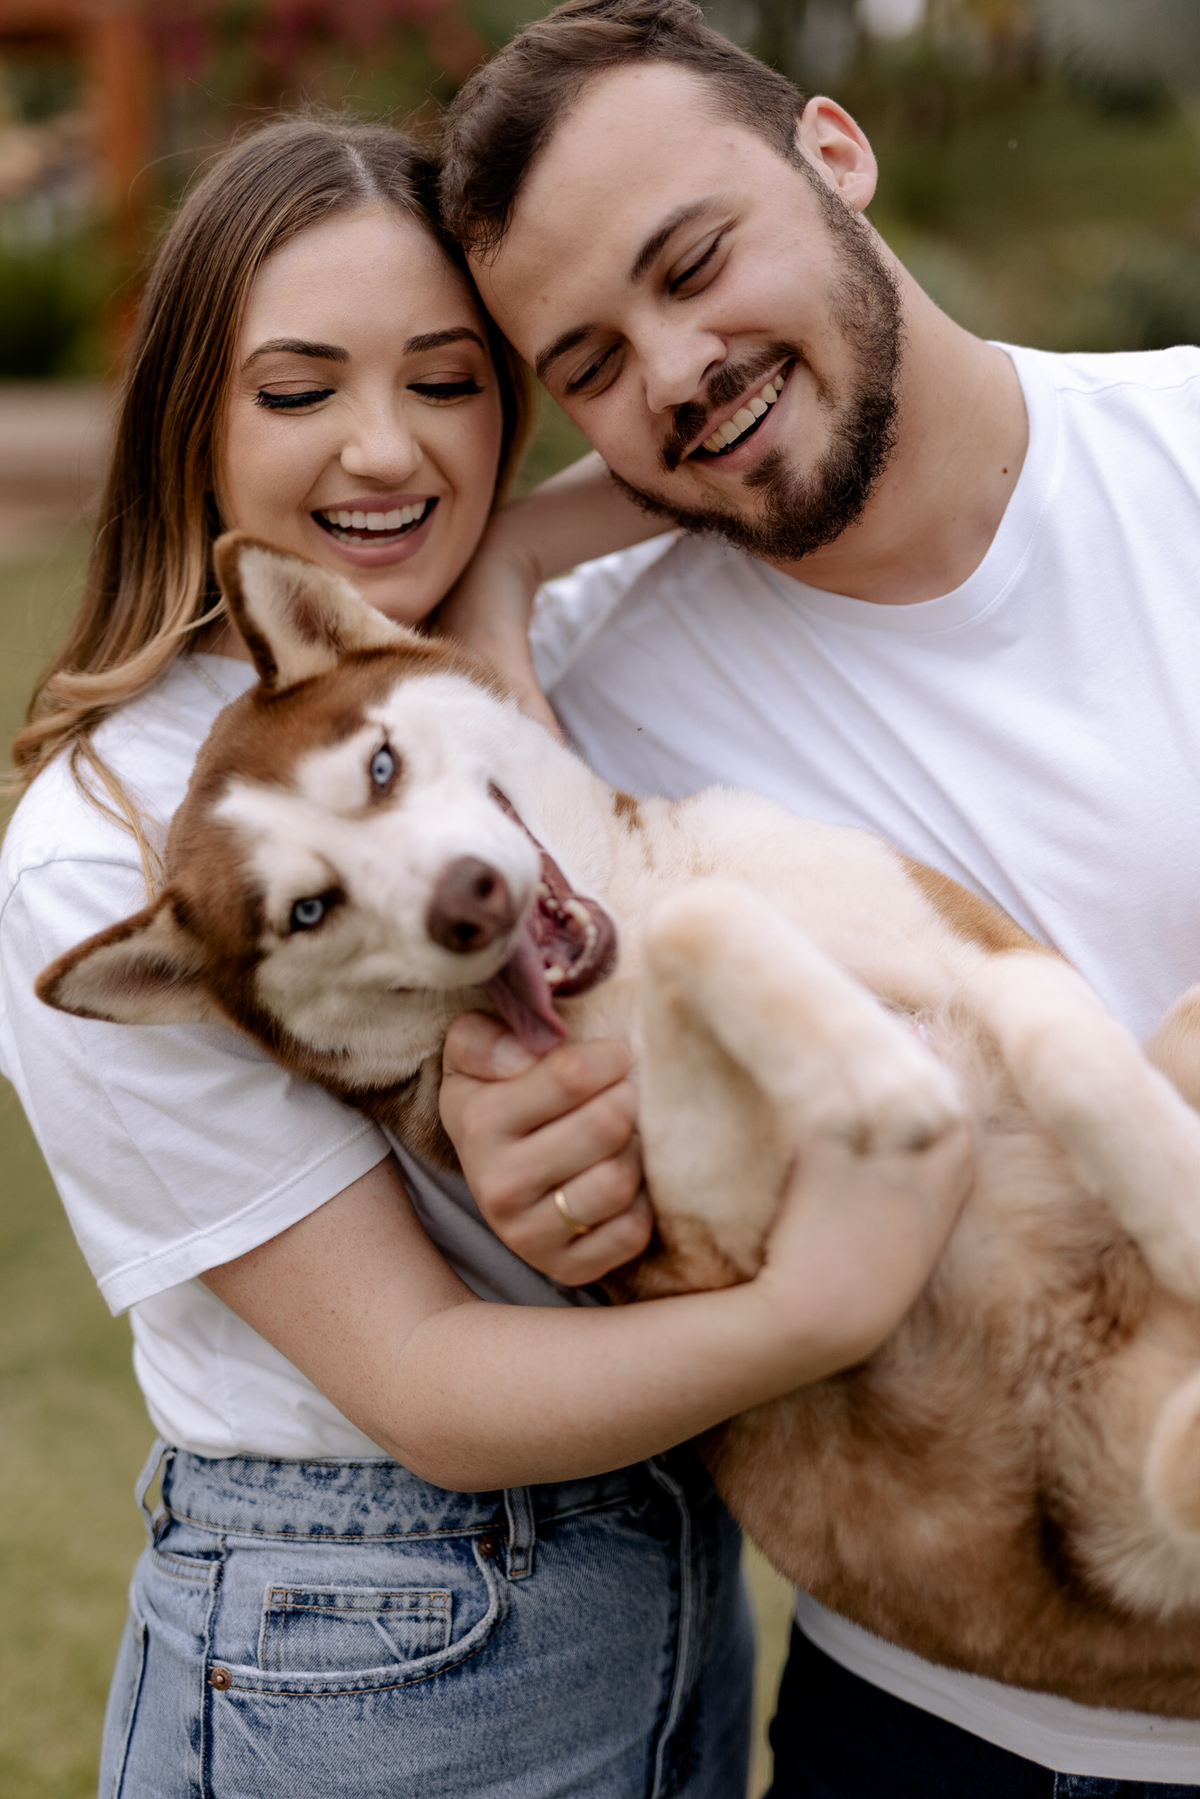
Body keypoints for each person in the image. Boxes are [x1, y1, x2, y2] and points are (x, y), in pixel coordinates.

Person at [0, 113, 970, 1799]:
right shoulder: (114, 846)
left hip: (669, 1556)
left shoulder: (517, 667)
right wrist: (828, 1303)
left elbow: (762, 442)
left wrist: (516, 556)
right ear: (193, 418)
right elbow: (426, 1381)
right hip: (369, 1632)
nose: (385, 453)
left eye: (446, 380)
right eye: (298, 392)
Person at [431, 3, 1200, 1795]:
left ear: (835, 155)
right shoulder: (583, 717)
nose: (677, 369)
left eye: (695, 262)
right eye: (593, 363)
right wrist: (545, 1171)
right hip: (961, 1726)